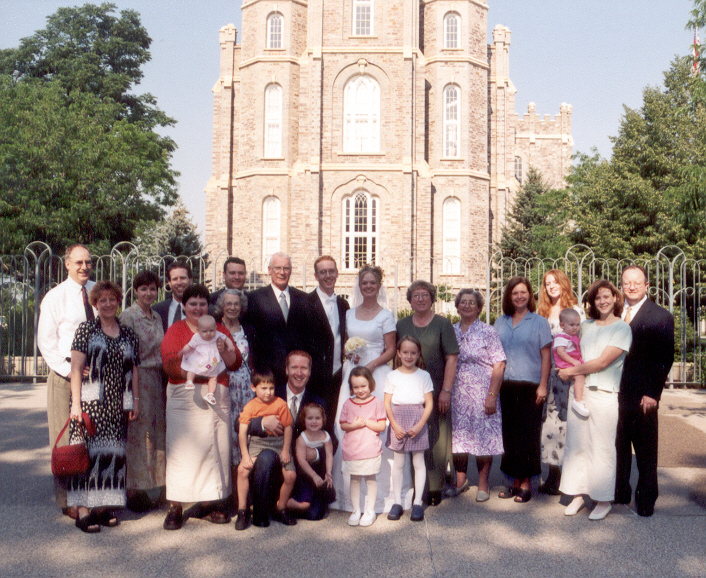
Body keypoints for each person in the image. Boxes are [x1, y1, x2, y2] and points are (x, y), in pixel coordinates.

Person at [160, 284, 242, 531]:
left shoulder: (219, 329)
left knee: (215, 449)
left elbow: (235, 361)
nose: (197, 308)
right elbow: (170, 363)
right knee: (180, 450)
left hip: (215, 394)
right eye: (192, 303)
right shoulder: (176, 330)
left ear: (209, 306)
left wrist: (223, 350)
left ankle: (210, 503)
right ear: (184, 306)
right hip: (184, 396)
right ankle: (176, 506)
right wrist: (201, 371)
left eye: (202, 303)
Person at [67, 281, 140, 532]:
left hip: (117, 403)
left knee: (111, 456)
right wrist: (75, 404)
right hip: (90, 403)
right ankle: (84, 511)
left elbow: (134, 369)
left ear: (118, 302)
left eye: (112, 299)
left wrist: (135, 401)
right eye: (102, 300)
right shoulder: (86, 329)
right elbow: (75, 368)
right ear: (95, 304)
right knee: (87, 455)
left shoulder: (128, 332)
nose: (108, 304)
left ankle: (102, 507)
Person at [558, 279, 632, 521]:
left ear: (615, 298)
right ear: (592, 302)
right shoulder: (586, 325)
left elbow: (602, 362)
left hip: (604, 394)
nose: (602, 301)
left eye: (606, 296)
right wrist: (565, 364)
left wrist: (571, 371)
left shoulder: (622, 328)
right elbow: (567, 343)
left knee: (601, 447)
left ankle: (602, 499)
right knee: (577, 445)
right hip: (580, 393)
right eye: (597, 298)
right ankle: (577, 494)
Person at [37, 243, 96, 519]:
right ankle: (67, 500)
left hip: (94, 377)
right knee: (64, 441)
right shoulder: (55, 297)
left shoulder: (97, 292)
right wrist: (68, 370)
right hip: (64, 377)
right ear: (67, 264)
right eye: (79, 262)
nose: (84, 267)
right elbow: (46, 343)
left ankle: (92, 496)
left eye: (88, 262)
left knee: (91, 437)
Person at [332, 264, 397, 513]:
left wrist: (371, 365)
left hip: (377, 372)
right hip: (353, 371)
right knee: (348, 424)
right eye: (364, 283)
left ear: (379, 285)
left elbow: (391, 348)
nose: (368, 286)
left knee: (376, 426)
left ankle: (382, 496)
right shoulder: (349, 313)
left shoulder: (386, 315)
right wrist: (353, 356)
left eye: (372, 282)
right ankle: (349, 496)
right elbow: (348, 344)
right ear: (359, 286)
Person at [246, 351, 333, 525]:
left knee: (314, 513)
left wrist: (315, 453)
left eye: (303, 368)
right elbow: (238, 423)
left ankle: (279, 506)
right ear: (286, 370)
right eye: (294, 367)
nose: (299, 373)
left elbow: (333, 440)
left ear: (309, 371)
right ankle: (263, 509)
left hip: (301, 469)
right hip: (275, 460)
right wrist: (262, 423)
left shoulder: (318, 401)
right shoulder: (270, 393)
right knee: (265, 457)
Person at [615, 266, 674, 517]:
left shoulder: (660, 316)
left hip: (643, 396)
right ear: (622, 285)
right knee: (618, 446)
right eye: (627, 282)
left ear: (646, 285)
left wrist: (653, 393)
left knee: (646, 450)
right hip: (615, 393)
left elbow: (664, 358)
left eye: (637, 282)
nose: (631, 286)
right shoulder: (615, 314)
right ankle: (620, 493)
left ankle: (647, 498)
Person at [396, 280, 459, 506]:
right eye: (416, 295)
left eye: (425, 295)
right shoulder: (402, 324)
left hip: (436, 389)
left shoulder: (442, 324)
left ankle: (435, 487)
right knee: (412, 435)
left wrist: (446, 390)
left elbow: (451, 357)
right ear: (410, 300)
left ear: (432, 298)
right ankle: (416, 488)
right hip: (408, 392)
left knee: (437, 438)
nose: (420, 299)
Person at [494, 276, 552, 503]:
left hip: (530, 386)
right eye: (515, 293)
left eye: (523, 292)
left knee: (528, 435)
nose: (519, 296)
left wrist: (543, 386)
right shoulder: (500, 322)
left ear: (530, 295)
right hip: (506, 386)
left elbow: (546, 356)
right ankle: (512, 481)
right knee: (509, 435)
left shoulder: (539, 322)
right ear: (509, 296)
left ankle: (526, 481)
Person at [450, 289, 506, 503]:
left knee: (484, 436)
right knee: (459, 437)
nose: (466, 305)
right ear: (457, 306)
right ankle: (461, 480)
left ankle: (483, 483)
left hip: (482, 392)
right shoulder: (451, 329)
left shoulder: (488, 331)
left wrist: (492, 395)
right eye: (463, 302)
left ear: (479, 307)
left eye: (471, 302)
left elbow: (499, 363)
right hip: (457, 393)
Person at [119, 270, 166, 512]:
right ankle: (133, 489)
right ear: (135, 291)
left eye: (152, 289)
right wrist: (132, 395)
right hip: (138, 379)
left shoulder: (157, 316)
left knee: (156, 434)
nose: (148, 293)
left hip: (157, 379)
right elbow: (126, 356)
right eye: (143, 289)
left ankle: (153, 487)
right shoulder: (128, 316)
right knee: (138, 435)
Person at [537, 269, 586, 495]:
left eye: (555, 282)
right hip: (548, 374)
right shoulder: (543, 311)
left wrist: (576, 369)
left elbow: (582, 342)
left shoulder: (575, 310)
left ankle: (569, 477)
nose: (551, 286)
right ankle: (553, 474)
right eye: (548, 283)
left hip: (569, 374)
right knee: (550, 424)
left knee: (567, 423)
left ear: (564, 284)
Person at [235, 370, 296, 531]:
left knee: (290, 475)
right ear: (253, 387)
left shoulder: (280, 404)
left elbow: (288, 427)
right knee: (242, 470)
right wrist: (245, 455)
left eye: (271, 388)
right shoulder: (250, 406)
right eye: (263, 388)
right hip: (258, 442)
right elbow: (242, 432)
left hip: (279, 441)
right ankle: (242, 510)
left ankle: (281, 508)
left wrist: (285, 450)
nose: (268, 392)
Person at [384, 336, 434, 522]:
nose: (409, 356)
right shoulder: (392, 375)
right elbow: (387, 404)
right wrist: (394, 425)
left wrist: (420, 424)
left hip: (417, 419)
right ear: (398, 353)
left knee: (418, 461)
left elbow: (428, 404)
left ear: (418, 354)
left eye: (413, 352)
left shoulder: (424, 375)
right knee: (398, 463)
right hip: (398, 419)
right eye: (405, 352)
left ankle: (418, 503)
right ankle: (397, 502)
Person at [246, 252, 308, 389]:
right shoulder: (255, 298)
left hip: (297, 375)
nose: (282, 272)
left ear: (291, 271)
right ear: (269, 270)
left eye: (286, 268)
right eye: (277, 268)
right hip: (267, 375)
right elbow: (251, 337)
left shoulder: (303, 299)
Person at [214, 288, 254, 489]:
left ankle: (244, 489)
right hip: (223, 387)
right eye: (228, 303)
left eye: (236, 304)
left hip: (246, 390)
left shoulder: (248, 328)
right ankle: (226, 491)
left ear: (241, 307)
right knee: (225, 435)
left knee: (244, 434)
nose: (232, 307)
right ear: (221, 305)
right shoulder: (214, 327)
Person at [339, 367, 387, 527]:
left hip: (370, 449)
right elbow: (343, 425)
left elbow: (381, 426)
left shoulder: (377, 403)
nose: (360, 390)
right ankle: (355, 510)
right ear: (351, 388)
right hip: (353, 449)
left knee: (370, 478)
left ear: (371, 384)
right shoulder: (348, 403)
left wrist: (366, 422)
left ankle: (370, 510)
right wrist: (354, 425)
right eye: (356, 387)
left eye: (363, 386)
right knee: (354, 479)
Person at [305, 255, 349, 422]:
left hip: (338, 376)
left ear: (337, 273)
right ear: (316, 276)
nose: (328, 276)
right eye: (323, 272)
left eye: (331, 271)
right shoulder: (305, 303)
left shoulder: (343, 305)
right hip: (314, 377)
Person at [287, 403, 335, 521]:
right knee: (306, 504)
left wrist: (328, 472)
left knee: (322, 505)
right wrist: (313, 476)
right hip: (305, 473)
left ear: (323, 419)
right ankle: (289, 503)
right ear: (304, 420)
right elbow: (301, 461)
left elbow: (329, 455)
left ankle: (315, 504)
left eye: (317, 418)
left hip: (319, 471)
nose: (314, 421)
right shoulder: (302, 438)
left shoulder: (326, 436)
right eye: (310, 418)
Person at [178, 314, 235, 406]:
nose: (208, 333)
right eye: (204, 331)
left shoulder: (217, 335)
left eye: (211, 330)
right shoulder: (197, 337)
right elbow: (189, 346)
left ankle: (210, 394)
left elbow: (226, 338)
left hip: (213, 363)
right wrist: (183, 351)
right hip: (199, 362)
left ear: (215, 328)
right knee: (191, 368)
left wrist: (230, 346)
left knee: (213, 378)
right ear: (198, 330)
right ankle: (189, 382)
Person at [553, 308, 589, 418]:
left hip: (573, 361)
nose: (575, 327)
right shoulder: (561, 337)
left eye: (577, 324)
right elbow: (561, 352)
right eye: (572, 324)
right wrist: (574, 361)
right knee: (580, 376)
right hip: (565, 363)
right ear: (562, 325)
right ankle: (578, 400)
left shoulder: (573, 337)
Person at [153, 260, 193, 334]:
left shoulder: (201, 310)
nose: (179, 283)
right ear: (169, 283)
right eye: (175, 279)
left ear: (190, 281)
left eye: (183, 278)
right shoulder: (157, 310)